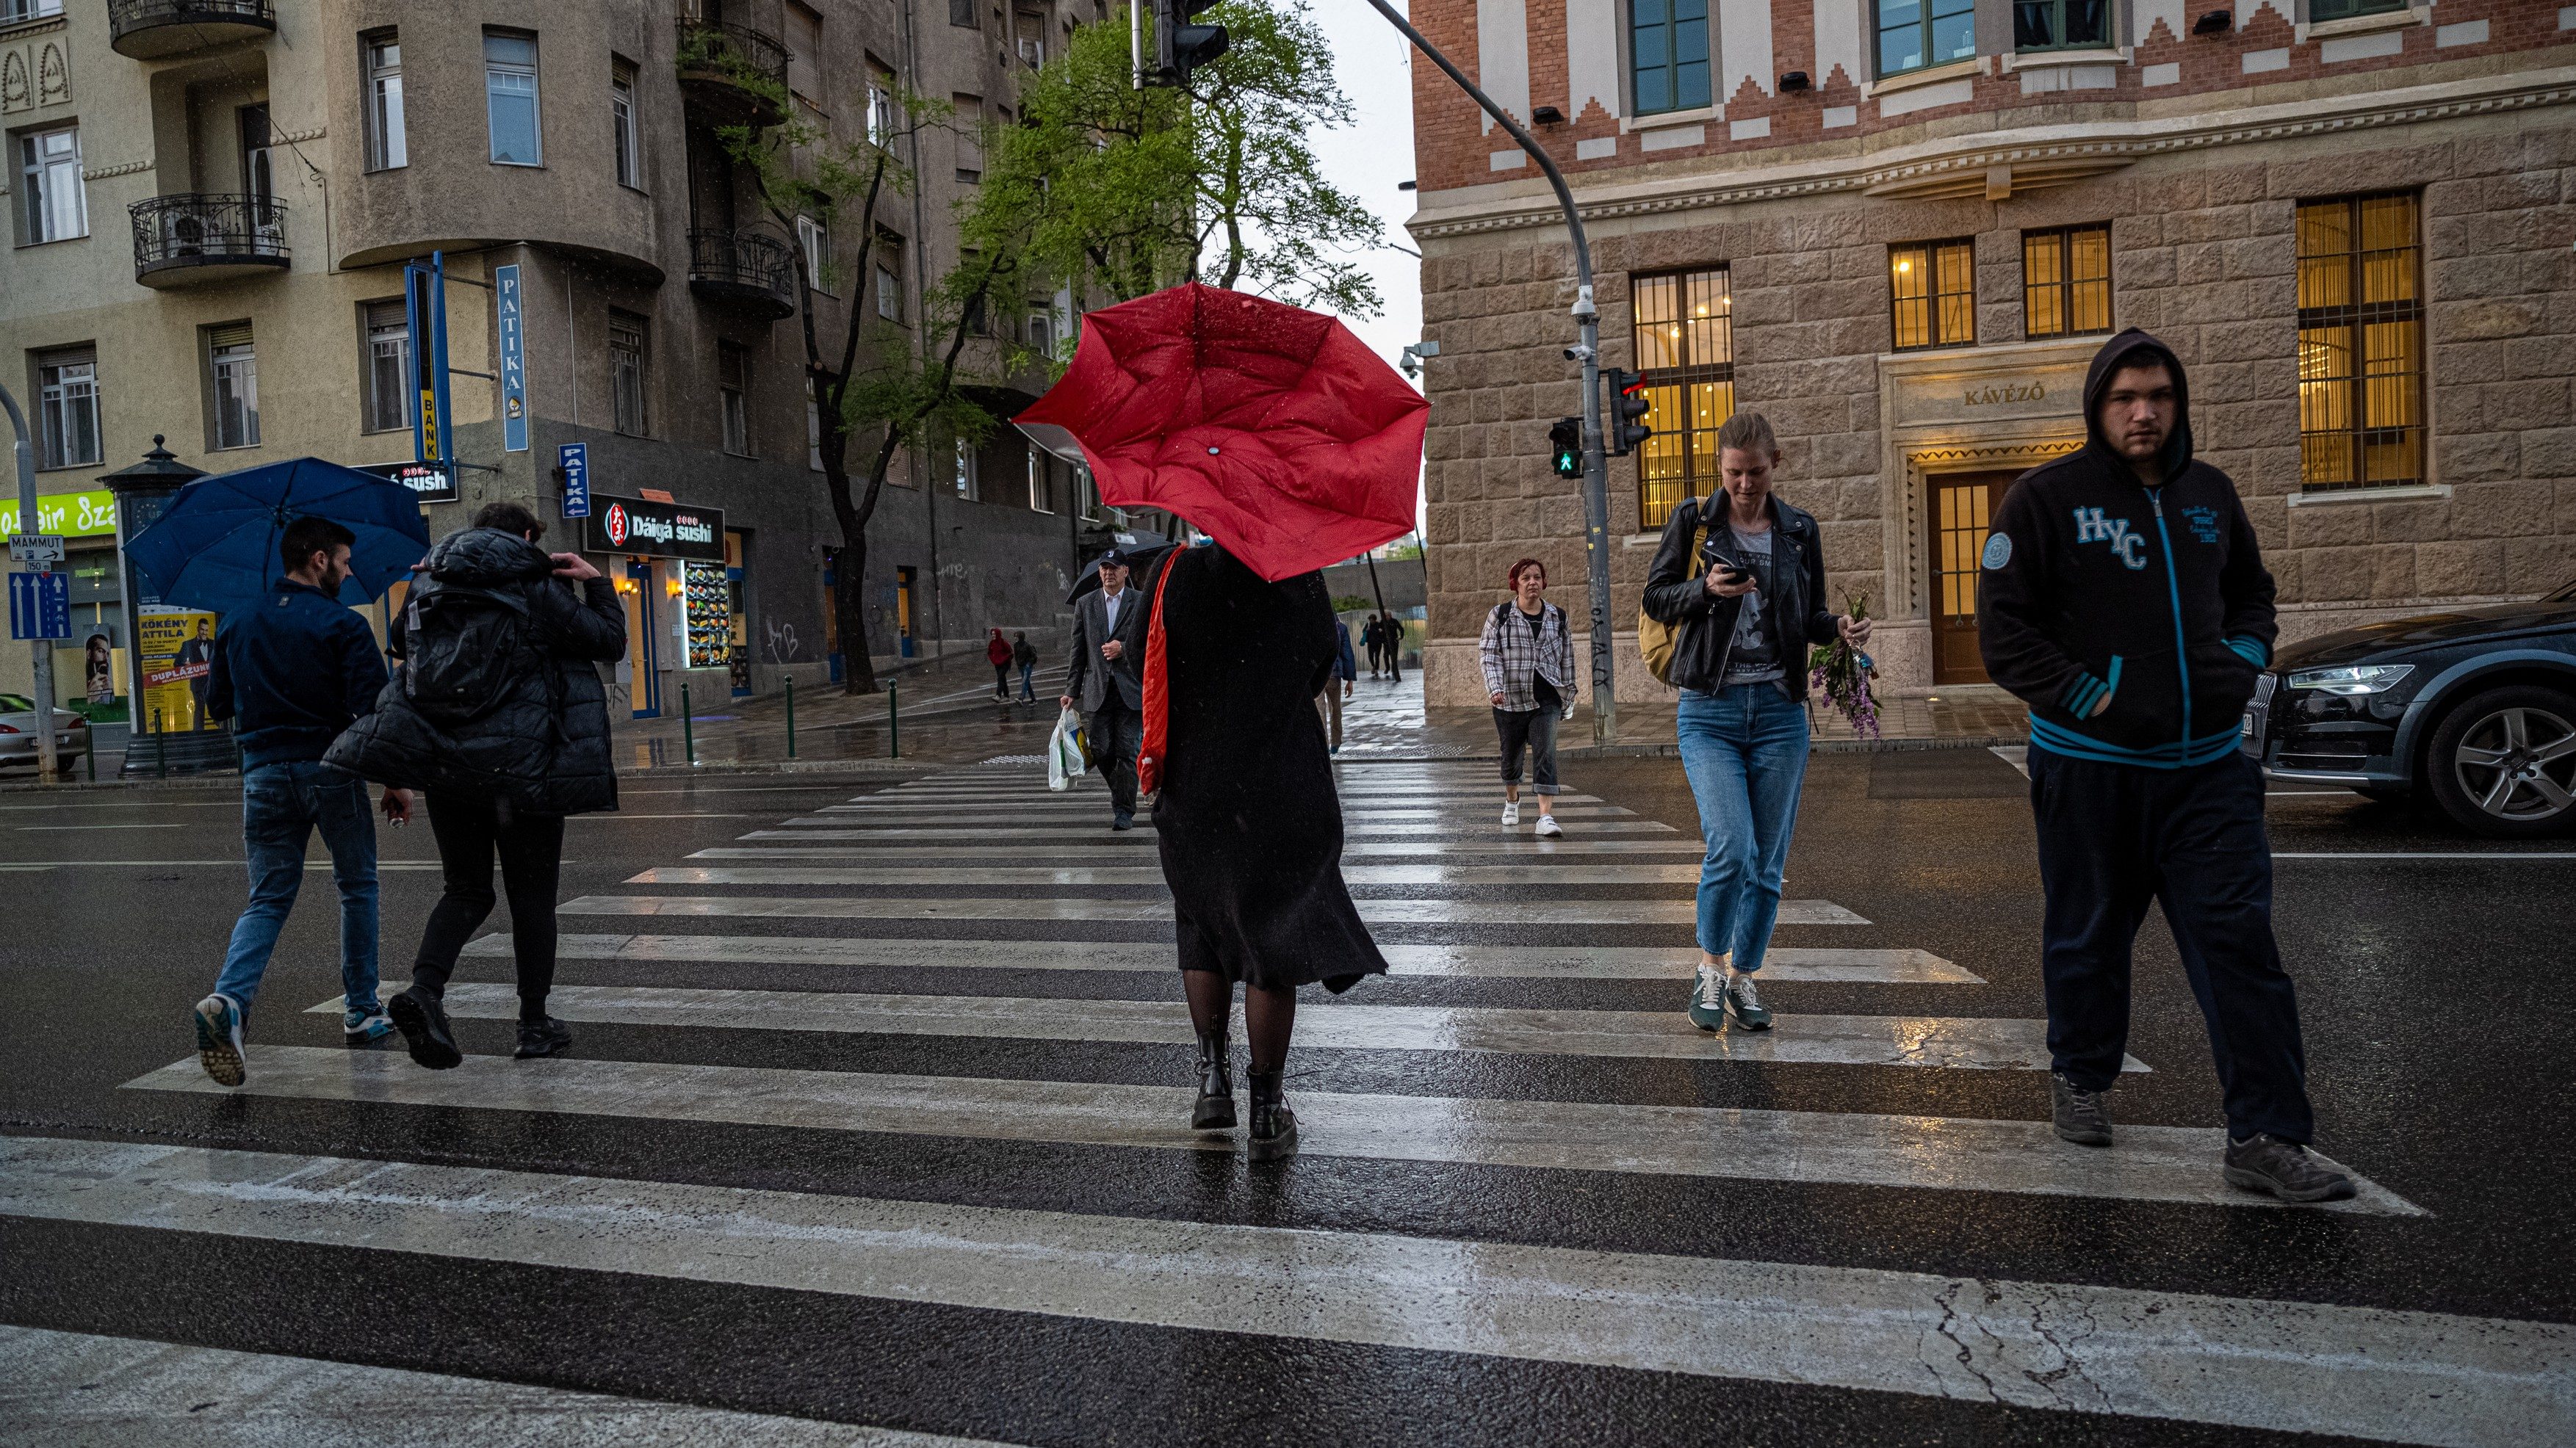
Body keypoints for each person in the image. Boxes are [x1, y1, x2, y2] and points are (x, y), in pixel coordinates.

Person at [1978, 328, 2353, 1203]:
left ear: (2177, 405)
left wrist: (2247, 654)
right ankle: (2081, 1073)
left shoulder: (2210, 495)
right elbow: (2005, 632)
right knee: (2090, 936)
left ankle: (2266, 1135)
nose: (2143, 412)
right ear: (2098, 406)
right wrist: (2094, 697)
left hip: (2209, 774)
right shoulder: (2044, 500)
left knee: (2241, 948)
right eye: (2124, 398)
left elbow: (2253, 590)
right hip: (2091, 769)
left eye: (2158, 396)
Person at [327, 501, 626, 1068]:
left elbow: (398, 642)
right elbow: (607, 640)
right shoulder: (535, 585)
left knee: (466, 889)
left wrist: (433, 581)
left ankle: (424, 992)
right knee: (531, 899)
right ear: (531, 537)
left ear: (473, 534)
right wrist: (596, 583)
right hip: (524, 770)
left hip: (448, 766)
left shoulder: (428, 585)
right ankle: (534, 1024)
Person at [1141, 541, 1388, 1161]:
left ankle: (1211, 1084)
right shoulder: (1296, 568)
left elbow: (1140, 659)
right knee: (1271, 942)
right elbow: (1318, 661)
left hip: (1194, 783)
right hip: (1278, 783)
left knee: (1201, 927)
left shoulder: (1174, 570)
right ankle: (1267, 1112)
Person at [1642, 412, 1870, 1035]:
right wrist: (1705, 591)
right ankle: (1709, 966)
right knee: (1732, 846)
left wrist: (1839, 632)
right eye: (1734, 472)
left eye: (1756, 472)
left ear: (1777, 462)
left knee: (1767, 863)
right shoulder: (1694, 521)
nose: (1744, 484)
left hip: (1778, 712)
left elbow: (1811, 614)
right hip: (1709, 711)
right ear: (1720, 466)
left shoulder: (1798, 530)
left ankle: (1745, 977)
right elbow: (1655, 597)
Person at [192, 516, 414, 1088]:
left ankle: (230, 1000)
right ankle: (362, 1010)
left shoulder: (238, 621)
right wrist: (394, 778)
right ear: (318, 559)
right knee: (357, 885)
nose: (348, 569)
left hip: (262, 774)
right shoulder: (342, 625)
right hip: (331, 769)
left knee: (267, 899)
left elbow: (218, 704)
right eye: (343, 560)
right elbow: (373, 711)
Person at [1480, 557, 1573, 836]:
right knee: (1511, 757)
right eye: (1525, 578)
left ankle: (1545, 817)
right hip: (1509, 700)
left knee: (1546, 752)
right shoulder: (1501, 615)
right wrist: (1495, 688)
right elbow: (1488, 654)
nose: (1532, 582)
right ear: (1516, 584)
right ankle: (1512, 799)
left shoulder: (1558, 617)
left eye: (1537, 577)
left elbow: (1567, 658)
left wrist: (1567, 696)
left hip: (1547, 700)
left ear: (1544, 582)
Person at [1061, 549, 1148, 829]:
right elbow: (1078, 651)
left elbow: (1151, 642)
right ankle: (1122, 793)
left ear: (1126, 572)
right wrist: (1071, 690)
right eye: (1104, 568)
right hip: (1098, 689)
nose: (1109, 573)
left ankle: (1124, 810)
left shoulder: (1140, 601)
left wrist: (1124, 647)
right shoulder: (1086, 604)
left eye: (1115, 568)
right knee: (1100, 751)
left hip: (1130, 690)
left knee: (1126, 750)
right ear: (1100, 573)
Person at [1316, 615, 1357, 754]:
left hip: (1317, 674)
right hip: (1334, 673)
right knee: (1335, 708)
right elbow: (1347, 654)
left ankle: (1324, 746)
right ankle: (1335, 742)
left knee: (1319, 710)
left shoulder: (1315, 627)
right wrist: (1350, 679)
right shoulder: (1340, 628)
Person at [985, 628, 1013, 700]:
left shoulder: (1003, 643)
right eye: (992, 634)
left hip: (1005, 664)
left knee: (1000, 678)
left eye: (994, 634)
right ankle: (1007, 696)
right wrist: (994, 659)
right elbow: (990, 653)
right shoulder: (992, 643)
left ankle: (998, 695)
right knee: (1003, 679)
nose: (993, 636)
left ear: (998, 634)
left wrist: (1005, 658)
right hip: (997, 664)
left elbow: (1010, 652)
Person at [1011, 630, 1039, 703]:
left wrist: (1029, 663)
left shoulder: (1028, 645)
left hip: (1027, 666)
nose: (1015, 638)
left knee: (1025, 681)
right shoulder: (1016, 645)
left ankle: (1021, 698)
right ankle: (1033, 699)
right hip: (1021, 666)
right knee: (1027, 682)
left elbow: (1034, 656)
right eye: (1015, 636)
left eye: (1017, 636)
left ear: (1020, 637)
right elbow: (1016, 656)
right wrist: (1018, 664)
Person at [1379, 612, 1404, 681]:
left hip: (1394, 641)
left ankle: (1394, 669)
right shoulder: (1382, 622)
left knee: (1394, 656)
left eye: (1388, 616)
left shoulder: (1394, 621)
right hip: (1386, 642)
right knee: (1386, 655)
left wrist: (1400, 637)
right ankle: (1387, 667)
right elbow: (1378, 629)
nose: (1387, 617)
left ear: (1390, 616)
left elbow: (1401, 629)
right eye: (1386, 616)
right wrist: (1381, 636)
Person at [1360, 614, 1384, 678]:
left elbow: (1383, 632)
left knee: (1377, 656)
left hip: (1378, 643)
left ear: (1375, 620)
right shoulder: (1368, 625)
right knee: (1370, 656)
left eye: (1372, 620)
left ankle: (1376, 670)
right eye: (1370, 620)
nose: (1371, 621)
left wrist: (1381, 631)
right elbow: (1363, 631)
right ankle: (1373, 666)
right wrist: (1366, 630)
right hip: (1370, 643)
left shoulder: (1379, 625)